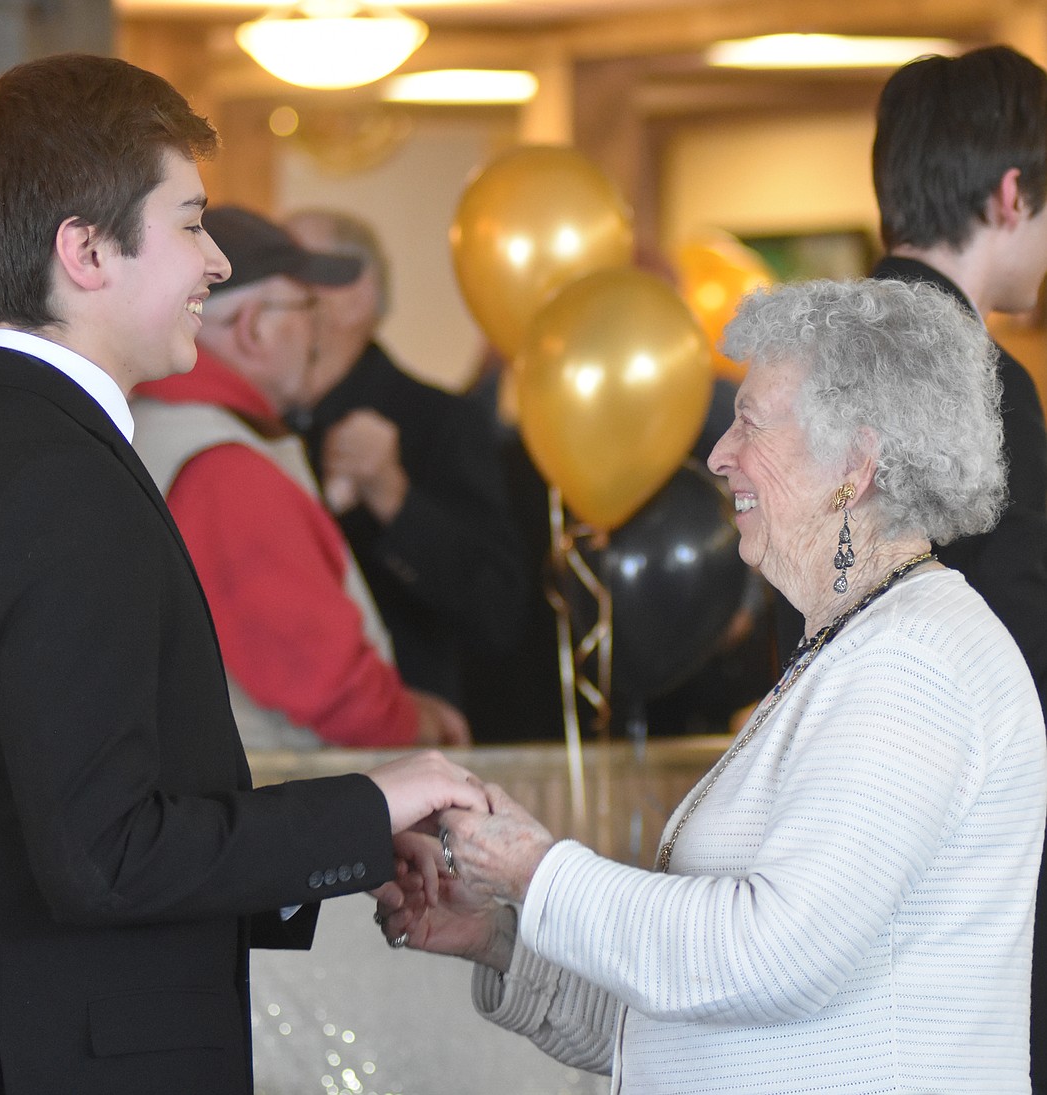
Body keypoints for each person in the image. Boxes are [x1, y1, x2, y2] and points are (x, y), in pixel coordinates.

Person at [0, 54, 488, 1095]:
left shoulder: (4, 443)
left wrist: (342, 854)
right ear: (86, 252)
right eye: (191, 222)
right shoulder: (53, 479)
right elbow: (107, 855)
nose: (213, 262)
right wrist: (366, 803)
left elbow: (76, 832)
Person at [377, 278, 1047, 1094]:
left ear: (856, 464)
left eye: (751, 422)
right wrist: (505, 936)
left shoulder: (911, 662)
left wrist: (537, 869)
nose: (720, 453)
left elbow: (774, 958)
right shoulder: (863, 642)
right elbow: (709, 1015)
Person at [869, 44, 1047, 1091]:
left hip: (841, 801)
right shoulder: (982, 381)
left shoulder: (821, 354)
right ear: (1013, 193)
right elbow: (1020, 648)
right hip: (962, 851)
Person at [130, 205, 469, 751]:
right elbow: (326, 683)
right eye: (306, 306)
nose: (320, 328)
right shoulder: (223, 468)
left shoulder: (162, 426)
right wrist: (419, 727)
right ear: (253, 329)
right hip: (267, 806)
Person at [282, 208, 526, 711]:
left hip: (407, 737)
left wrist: (393, 496)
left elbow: (497, 607)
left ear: (354, 294)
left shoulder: (439, 422)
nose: (272, 295)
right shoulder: (258, 420)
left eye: (291, 272)